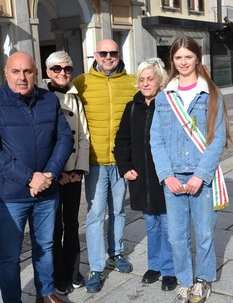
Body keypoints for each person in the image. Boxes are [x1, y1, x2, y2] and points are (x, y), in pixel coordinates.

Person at [150, 36, 232, 303]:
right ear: (172, 61)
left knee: (205, 233)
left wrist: (200, 175)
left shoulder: (211, 94)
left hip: (201, 177)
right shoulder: (164, 97)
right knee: (177, 235)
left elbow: (218, 138)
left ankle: (203, 279)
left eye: (188, 56)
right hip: (173, 177)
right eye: (178, 58)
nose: (183, 62)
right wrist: (166, 175)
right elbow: (157, 139)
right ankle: (185, 281)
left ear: (197, 58)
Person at [0, 52, 74, 303]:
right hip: (10, 195)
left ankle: (45, 293)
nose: (22, 77)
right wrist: (30, 178)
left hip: (46, 192)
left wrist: (50, 174)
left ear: (35, 73)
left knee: (46, 246)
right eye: (16, 71)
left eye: (27, 71)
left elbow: (64, 137)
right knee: (9, 256)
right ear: (6, 73)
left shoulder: (48, 100)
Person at [72, 39, 136, 293]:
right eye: (103, 53)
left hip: (121, 161)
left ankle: (116, 253)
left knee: (119, 210)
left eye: (112, 53)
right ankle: (96, 267)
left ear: (118, 54)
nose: (108, 57)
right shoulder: (81, 83)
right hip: (95, 161)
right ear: (95, 55)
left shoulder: (131, 82)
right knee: (96, 213)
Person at [114, 58, 177, 292]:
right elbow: (122, 141)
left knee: (169, 226)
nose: (146, 83)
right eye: (142, 79)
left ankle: (170, 269)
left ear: (160, 80)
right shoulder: (132, 108)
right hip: (142, 179)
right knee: (151, 224)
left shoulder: (169, 104)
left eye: (150, 79)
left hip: (165, 177)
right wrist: (125, 166)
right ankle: (155, 266)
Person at [41, 51, 90, 295]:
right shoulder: (41, 98)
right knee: (54, 228)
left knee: (72, 224)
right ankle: (58, 275)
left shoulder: (75, 97)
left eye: (67, 69)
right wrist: (55, 172)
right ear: (48, 72)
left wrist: (79, 169)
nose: (63, 73)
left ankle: (73, 270)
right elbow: (42, 141)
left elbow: (82, 135)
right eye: (57, 69)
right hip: (53, 174)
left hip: (74, 174)